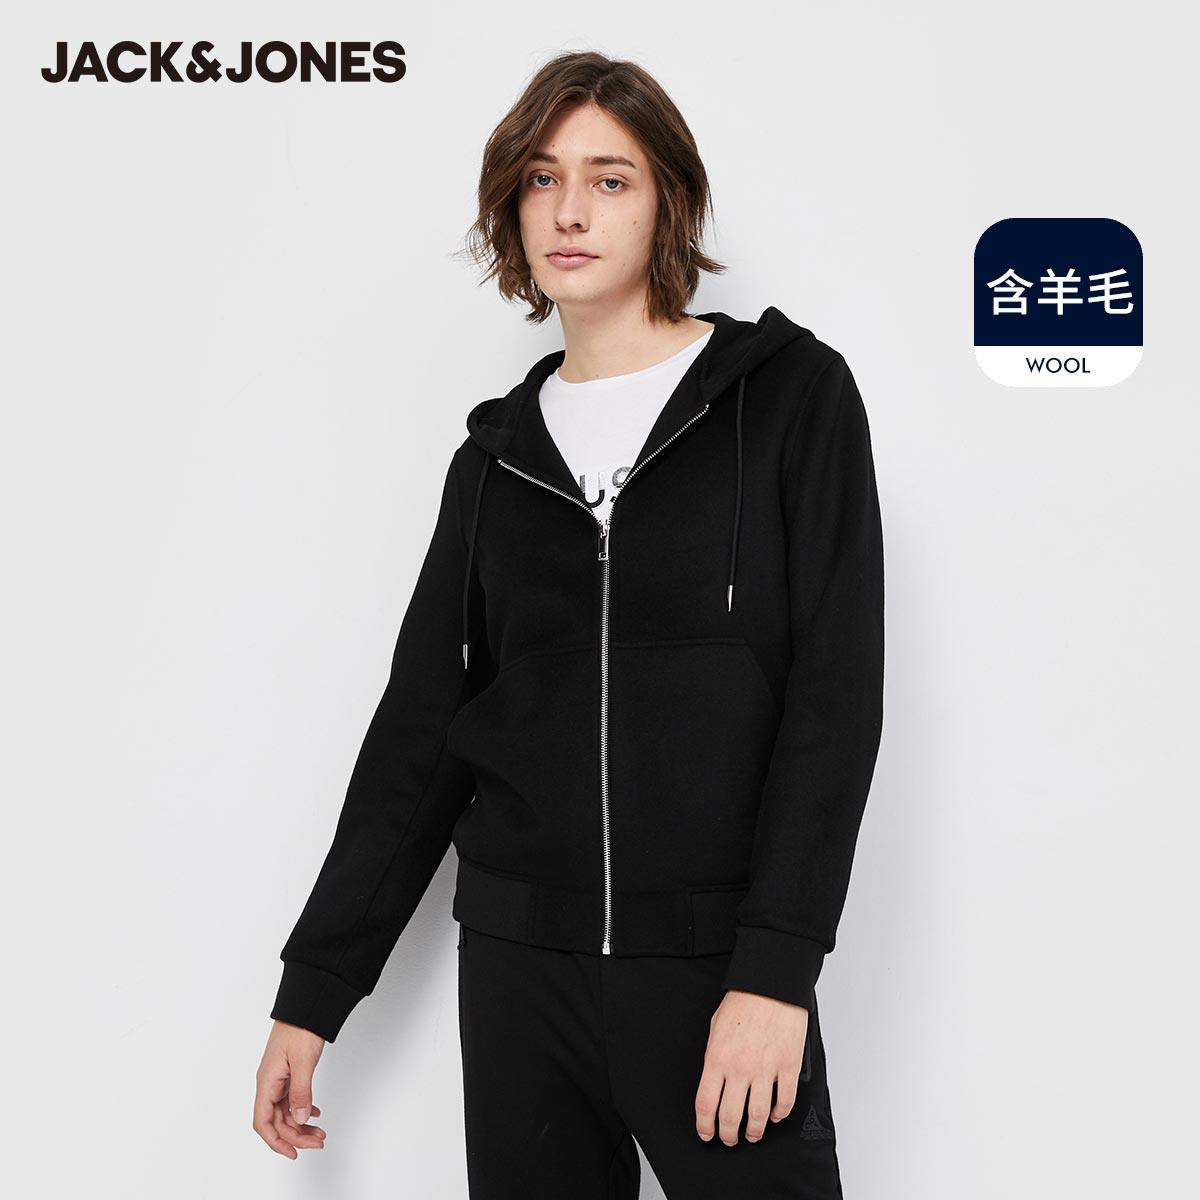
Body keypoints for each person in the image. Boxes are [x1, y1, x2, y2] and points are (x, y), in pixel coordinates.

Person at [253, 50, 885, 1200]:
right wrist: (314, 991)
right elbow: (420, 737)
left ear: (668, 202)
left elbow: (833, 702)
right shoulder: (496, 460)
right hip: (518, 978)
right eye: (543, 179)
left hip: (714, 973)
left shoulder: (792, 399)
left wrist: (776, 971)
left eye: (610, 178)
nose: (571, 211)